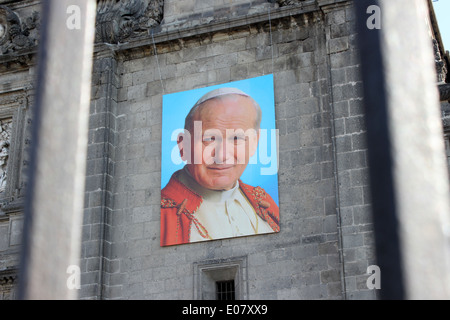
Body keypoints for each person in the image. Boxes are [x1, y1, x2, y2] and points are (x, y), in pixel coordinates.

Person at [160, 87, 279, 246]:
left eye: (236, 138)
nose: (221, 155)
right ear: (183, 145)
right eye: (209, 138)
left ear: (254, 143)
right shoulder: (161, 215)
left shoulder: (263, 201)